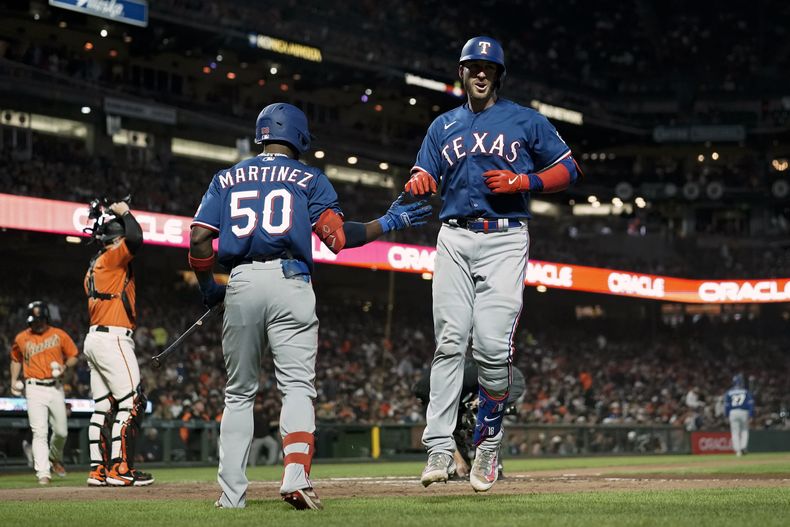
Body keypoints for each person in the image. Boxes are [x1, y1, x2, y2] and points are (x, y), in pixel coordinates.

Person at [189, 102, 431, 510]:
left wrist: (208, 287)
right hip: (290, 281)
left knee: (238, 394)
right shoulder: (308, 178)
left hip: (241, 282)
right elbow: (337, 238)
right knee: (297, 387)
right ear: (299, 136)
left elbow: (197, 240)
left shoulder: (226, 177)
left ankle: (231, 496)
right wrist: (390, 222)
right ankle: (296, 476)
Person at [406, 36, 582, 492]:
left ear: (498, 75)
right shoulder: (442, 126)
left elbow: (569, 170)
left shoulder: (525, 119)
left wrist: (525, 179)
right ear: (461, 72)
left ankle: (487, 442)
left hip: (505, 237)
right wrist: (421, 177)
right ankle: (440, 447)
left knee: (490, 348)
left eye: (489, 67)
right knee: (448, 342)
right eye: (472, 65)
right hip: (453, 236)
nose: (480, 72)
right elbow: (421, 172)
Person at [82, 201, 154, 486]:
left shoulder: (93, 267)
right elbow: (136, 238)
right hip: (113, 337)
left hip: (94, 339)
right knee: (132, 401)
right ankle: (120, 469)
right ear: (115, 240)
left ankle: (98, 469)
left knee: (102, 407)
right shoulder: (112, 257)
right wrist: (124, 211)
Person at [412, 362, 526, 478]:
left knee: (484, 419)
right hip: (493, 380)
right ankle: (465, 467)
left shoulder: (454, 382)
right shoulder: (451, 381)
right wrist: (459, 460)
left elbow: (440, 428)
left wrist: (481, 399)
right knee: (459, 422)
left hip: (509, 380)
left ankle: (491, 466)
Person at [9, 301, 79, 484]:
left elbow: (73, 356)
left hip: (55, 387)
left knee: (61, 431)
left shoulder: (58, 334)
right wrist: (13, 380)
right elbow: (15, 359)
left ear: (46, 318)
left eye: (40, 320)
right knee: (39, 432)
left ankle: (54, 457)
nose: (36, 323)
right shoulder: (21, 338)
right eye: (33, 320)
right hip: (33, 388)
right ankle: (43, 473)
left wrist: (64, 367)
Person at [724, 374, 755, 457]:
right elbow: (751, 404)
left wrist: (726, 415)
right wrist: (751, 415)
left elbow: (726, 405)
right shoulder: (745, 391)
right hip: (744, 412)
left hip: (733, 412)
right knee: (744, 431)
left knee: (735, 432)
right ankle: (743, 447)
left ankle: (738, 451)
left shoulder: (729, 392)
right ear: (741, 382)